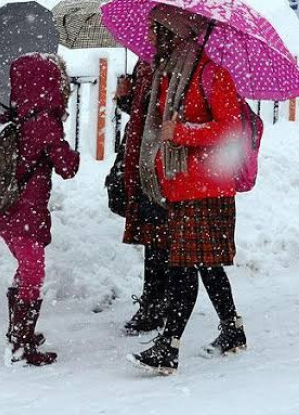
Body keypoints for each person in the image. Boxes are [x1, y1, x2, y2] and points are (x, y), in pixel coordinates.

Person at [128, 5, 247, 375]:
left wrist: (181, 133)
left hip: (206, 188)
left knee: (181, 268)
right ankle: (233, 330)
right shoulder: (171, 75)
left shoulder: (212, 75)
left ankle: (169, 347)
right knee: (207, 265)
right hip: (181, 187)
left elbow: (231, 130)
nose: (149, 40)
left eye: (155, 33)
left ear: (174, 34)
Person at [0, 52, 80, 365]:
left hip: (3, 207)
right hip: (25, 210)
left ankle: (18, 333)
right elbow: (67, 167)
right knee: (33, 271)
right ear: (50, 84)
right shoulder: (43, 123)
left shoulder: (11, 117)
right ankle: (21, 344)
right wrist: (69, 152)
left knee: (26, 268)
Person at [115, 60, 172, 335]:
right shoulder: (146, 63)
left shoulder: (169, 65)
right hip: (143, 160)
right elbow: (141, 113)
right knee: (154, 237)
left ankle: (158, 305)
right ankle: (156, 302)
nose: (148, 32)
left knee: (160, 237)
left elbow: (162, 113)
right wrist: (125, 96)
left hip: (159, 162)